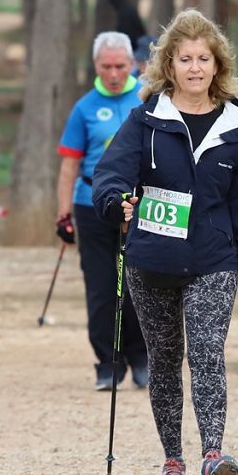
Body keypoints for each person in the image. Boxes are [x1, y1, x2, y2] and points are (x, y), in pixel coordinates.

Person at [92, 9, 238, 475]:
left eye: (204, 59)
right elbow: (109, 174)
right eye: (185, 59)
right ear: (168, 65)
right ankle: (173, 461)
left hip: (213, 259)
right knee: (166, 360)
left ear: (217, 66)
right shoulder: (147, 118)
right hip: (152, 262)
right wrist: (116, 201)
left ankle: (213, 457)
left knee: (208, 352)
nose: (195, 68)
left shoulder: (235, 122)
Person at [57, 31, 149, 391]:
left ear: (133, 65)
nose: (113, 73)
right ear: (96, 66)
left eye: (120, 66)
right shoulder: (84, 107)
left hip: (138, 205)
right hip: (90, 204)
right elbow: (68, 164)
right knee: (101, 286)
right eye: (106, 66)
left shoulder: (146, 99)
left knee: (138, 284)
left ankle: (141, 356)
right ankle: (108, 364)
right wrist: (63, 215)